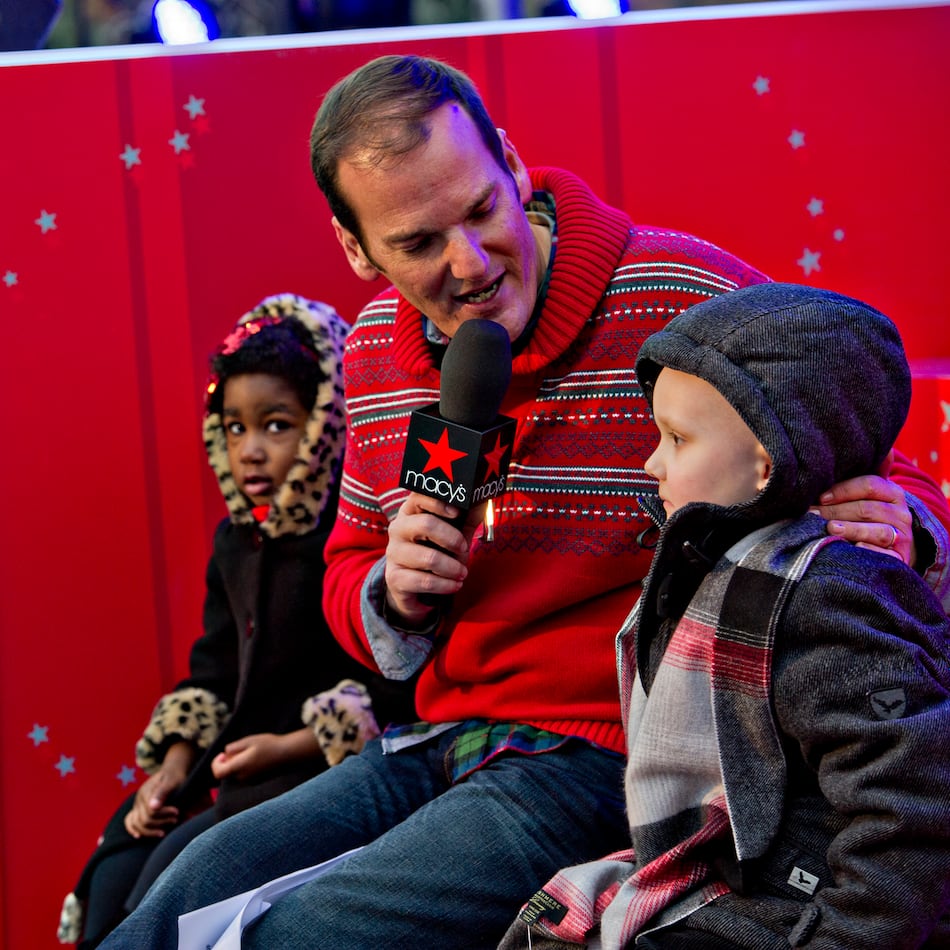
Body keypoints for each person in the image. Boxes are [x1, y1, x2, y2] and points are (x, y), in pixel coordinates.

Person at [99, 57, 950, 950]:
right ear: (357, 250)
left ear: (510, 163)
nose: (468, 263)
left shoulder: (683, 296)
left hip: (614, 758)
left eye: (480, 211)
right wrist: (392, 591)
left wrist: (908, 528)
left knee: (306, 933)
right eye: (419, 243)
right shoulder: (374, 357)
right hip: (441, 735)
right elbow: (347, 575)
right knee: (177, 898)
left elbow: (899, 483)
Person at [497, 282, 950, 949]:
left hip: (804, 905)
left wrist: (846, 937)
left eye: (677, 439)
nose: (652, 462)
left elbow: (906, 803)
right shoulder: (716, 561)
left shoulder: (830, 593)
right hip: (728, 867)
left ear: (767, 462)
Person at [59, 294, 416, 948]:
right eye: (233, 428)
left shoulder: (352, 537)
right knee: (115, 869)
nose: (250, 451)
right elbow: (214, 670)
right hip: (227, 759)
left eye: (276, 425)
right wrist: (170, 767)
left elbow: (395, 687)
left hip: (313, 768)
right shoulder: (235, 542)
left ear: (322, 427)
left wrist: (288, 747)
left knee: (170, 882)